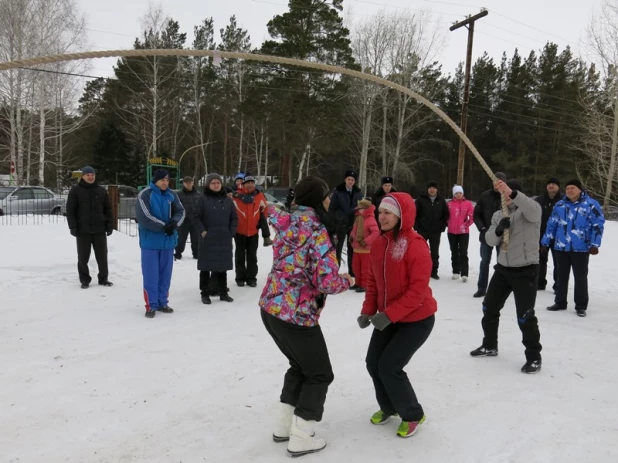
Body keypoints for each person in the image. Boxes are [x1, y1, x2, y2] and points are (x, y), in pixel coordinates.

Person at [259, 176, 353, 457]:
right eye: (326, 195)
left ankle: (283, 426)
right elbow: (325, 282)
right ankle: (301, 436)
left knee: (300, 366)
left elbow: (269, 210)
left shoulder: (286, 220)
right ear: (318, 198)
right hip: (295, 315)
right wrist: (347, 279)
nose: (329, 200)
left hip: (271, 308)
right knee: (320, 373)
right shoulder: (318, 231)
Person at [357, 193, 437, 439]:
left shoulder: (415, 244)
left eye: (388, 213)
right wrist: (368, 310)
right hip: (389, 317)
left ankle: (412, 414)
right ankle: (389, 406)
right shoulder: (380, 243)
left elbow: (417, 291)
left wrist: (388, 315)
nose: (382, 217)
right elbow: (373, 281)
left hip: (417, 320)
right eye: (380, 212)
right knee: (373, 363)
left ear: (402, 215)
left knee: (390, 366)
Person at [470, 179, 543, 374]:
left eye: (511, 193)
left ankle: (534, 357)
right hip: (503, 269)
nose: (507, 197)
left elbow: (533, 209)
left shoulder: (530, 209)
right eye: (505, 194)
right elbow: (489, 239)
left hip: (526, 270)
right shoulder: (498, 214)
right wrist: (499, 229)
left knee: (525, 315)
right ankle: (490, 345)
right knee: (489, 307)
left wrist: (514, 193)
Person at [542, 179, 605, 317]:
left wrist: (594, 244)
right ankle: (560, 302)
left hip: (581, 248)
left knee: (580, 277)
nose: (570, 190)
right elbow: (551, 224)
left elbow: (598, 225)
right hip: (561, 247)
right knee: (561, 276)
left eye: (573, 188)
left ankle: (581, 306)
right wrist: (545, 241)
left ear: (580, 190)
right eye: (568, 188)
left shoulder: (590, 205)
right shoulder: (560, 205)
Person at [135, 169, 185, 318]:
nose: (165, 183)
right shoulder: (145, 195)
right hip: (150, 243)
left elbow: (181, 211)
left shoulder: (172, 195)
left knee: (165, 275)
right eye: (162, 180)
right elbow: (145, 217)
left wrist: (174, 224)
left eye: (167, 180)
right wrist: (164, 226)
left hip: (168, 243)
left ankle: (163, 301)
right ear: (155, 180)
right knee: (151, 275)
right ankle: (151, 304)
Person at [66, 166, 114, 289]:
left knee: (102, 256)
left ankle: (103, 278)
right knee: (83, 257)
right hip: (83, 230)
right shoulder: (75, 191)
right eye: (88, 175)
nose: (90, 177)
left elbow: (108, 209)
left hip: (99, 230)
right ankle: (84, 279)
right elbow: (70, 211)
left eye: (92, 174)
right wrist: (73, 227)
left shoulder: (101, 191)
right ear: (83, 176)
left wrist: (109, 225)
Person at [193, 173, 237, 304]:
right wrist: (203, 231)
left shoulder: (228, 200)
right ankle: (204, 293)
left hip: (224, 237)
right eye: (213, 183)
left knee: (222, 266)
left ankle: (223, 292)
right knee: (206, 266)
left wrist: (231, 231)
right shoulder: (202, 199)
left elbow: (234, 218)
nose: (216, 185)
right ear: (208, 185)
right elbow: (196, 217)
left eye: (218, 182)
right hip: (208, 238)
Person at [473, 172, 507, 297]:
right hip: (486, 235)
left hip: (503, 236)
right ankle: (482, 288)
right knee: (484, 262)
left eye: (500, 180)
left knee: (502, 264)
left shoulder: (507, 196)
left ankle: (499, 289)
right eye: (495, 180)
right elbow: (476, 214)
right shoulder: (484, 196)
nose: (497, 183)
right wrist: (482, 228)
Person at [232, 175, 268, 287]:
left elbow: (265, 210)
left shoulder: (259, 195)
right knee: (240, 256)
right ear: (243, 184)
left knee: (252, 256)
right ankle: (240, 278)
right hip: (239, 232)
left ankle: (251, 278)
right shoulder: (236, 196)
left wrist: (261, 221)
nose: (250, 184)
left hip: (253, 232)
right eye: (248, 183)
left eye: (252, 183)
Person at [330, 169, 364, 278]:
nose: (350, 181)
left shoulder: (358, 192)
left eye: (352, 180)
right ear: (345, 180)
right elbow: (332, 208)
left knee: (352, 248)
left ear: (355, 181)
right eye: (348, 179)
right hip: (340, 223)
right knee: (337, 248)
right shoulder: (338, 191)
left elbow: (360, 207)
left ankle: (352, 272)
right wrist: (336, 219)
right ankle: (335, 270)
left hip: (353, 224)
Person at [415, 181, 449, 279]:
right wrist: (416, 226)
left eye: (434, 188)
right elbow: (414, 213)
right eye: (430, 188)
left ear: (436, 189)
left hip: (436, 231)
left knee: (434, 252)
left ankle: (434, 271)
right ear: (427, 189)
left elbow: (446, 214)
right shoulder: (421, 199)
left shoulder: (441, 200)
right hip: (423, 230)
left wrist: (443, 225)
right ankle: (420, 271)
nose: (432, 189)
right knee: (421, 252)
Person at [535, 178, 563, 291]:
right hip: (542, 236)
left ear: (558, 186)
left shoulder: (564, 200)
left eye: (554, 184)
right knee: (541, 261)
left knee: (559, 263)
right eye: (549, 184)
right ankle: (540, 283)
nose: (551, 186)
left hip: (558, 237)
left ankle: (558, 285)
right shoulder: (539, 200)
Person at [349, 199, 380, 293]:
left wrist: (365, 242)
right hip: (356, 249)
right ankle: (358, 283)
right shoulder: (358, 218)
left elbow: (375, 233)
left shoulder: (370, 219)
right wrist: (351, 237)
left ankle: (364, 285)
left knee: (365, 269)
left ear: (366, 209)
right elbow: (354, 230)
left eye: (361, 209)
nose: (359, 210)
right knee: (356, 268)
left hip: (366, 250)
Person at [447, 185, 475, 282]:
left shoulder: (468, 204)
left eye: (460, 193)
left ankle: (464, 273)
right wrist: (448, 223)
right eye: (456, 193)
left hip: (463, 232)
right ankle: (455, 271)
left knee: (463, 252)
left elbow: (472, 217)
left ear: (462, 193)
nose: (458, 195)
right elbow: (445, 216)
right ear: (454, 194)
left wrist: (466, 225)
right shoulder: (449, 204)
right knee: (454, 252)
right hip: (451, 231)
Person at [175, 176, 201, 260]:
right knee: (181, 238)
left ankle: (196, 253)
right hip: (183, 221)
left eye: (190, 182)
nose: (188, 184)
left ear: (193, 182)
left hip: (195, 220)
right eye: (186, 182)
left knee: (196, 239)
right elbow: (175, 207)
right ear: (183, 183)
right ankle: (178, 253)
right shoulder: (178, 194)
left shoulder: (198, 194)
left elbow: (202, 207)